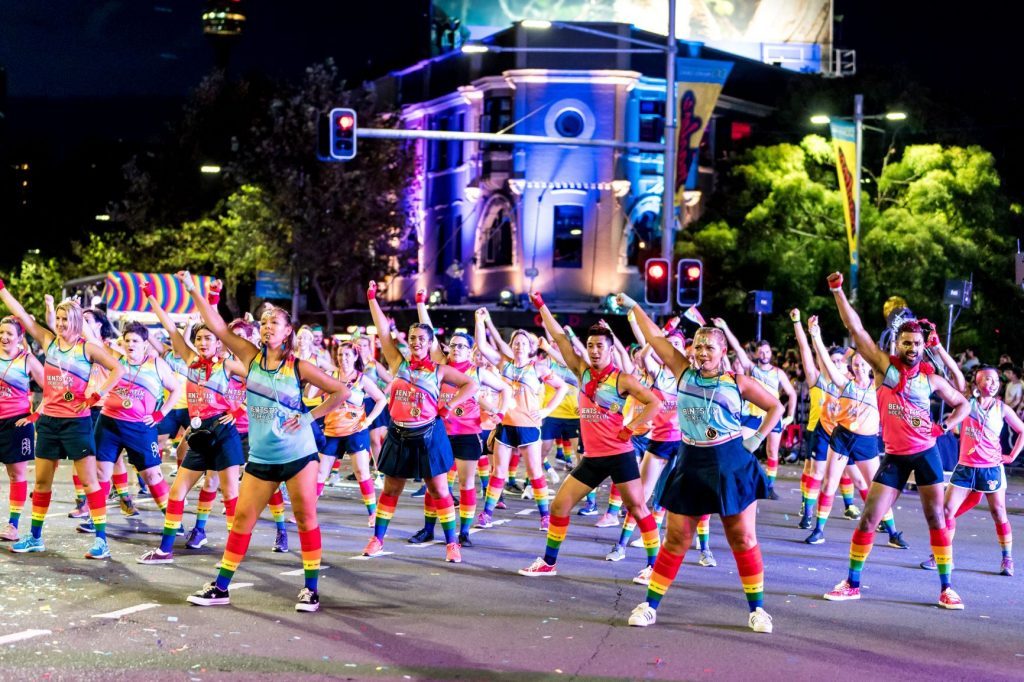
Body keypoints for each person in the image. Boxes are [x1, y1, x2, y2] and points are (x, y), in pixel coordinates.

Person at [178, 272, 349, 612]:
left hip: (299, 454)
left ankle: (310, 590)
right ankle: (222, 587)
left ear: (288, 332)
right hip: (262, 458)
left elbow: (340, 391)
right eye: (264, 322)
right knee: (242, 520)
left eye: (276, 323)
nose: (268, 326)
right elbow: (216, 324)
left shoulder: (298, 366)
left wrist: (308, 417)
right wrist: (194, 291)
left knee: (305, 519)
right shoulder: (250, 357)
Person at [621, 296, 782, 633]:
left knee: (743, 538)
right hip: (691, 460)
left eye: (710, 347)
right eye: (698, 347)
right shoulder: (683, 372)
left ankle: (758, 611)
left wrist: (754, 440)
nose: (702, 353)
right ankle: (649, 606)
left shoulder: (738, 382)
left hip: (730, 462)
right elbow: (654, 338)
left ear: (723, 352)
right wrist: (634, 305)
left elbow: (776, 408)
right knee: (677, 538)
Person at [821, 272, 971, 609]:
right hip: (893, 456)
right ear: (897, 344)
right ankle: (852, 583)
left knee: (937, 519)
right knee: (869, 518)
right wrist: (837, 291)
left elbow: (963, 401)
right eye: (907, 343)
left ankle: (947, 588)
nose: (913, 348)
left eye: (917, 344)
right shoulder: (884, 370)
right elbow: (857, 332)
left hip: (925, 454)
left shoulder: (930, 379)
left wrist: (945, 426)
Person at [518, 292, 664, 586]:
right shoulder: (582, 373)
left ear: (610, 349)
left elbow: (654, 403)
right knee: (559, 506)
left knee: (637, 508)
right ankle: (548, 562)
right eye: (590, 346)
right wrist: (542, 306)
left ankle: (654, 567)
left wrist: (631, 426)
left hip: (620, 454)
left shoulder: (623, 379)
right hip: (593, 458)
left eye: (600, 346)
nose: (594, 351)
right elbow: (560, 338)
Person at [0, 282, 125, 559]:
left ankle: (101, 542)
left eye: (65, 318)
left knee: (90, 483)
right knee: (42, 483)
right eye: (57, 318)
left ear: (76, 321)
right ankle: (34, 537)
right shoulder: (48, 342)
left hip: (76, 423)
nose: (59, 323)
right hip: (48, 423)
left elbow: (119, 368)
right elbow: (22, 315)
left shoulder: (88, 349)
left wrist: (97, 394)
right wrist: (2, 290)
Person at [361, 281, 477, 563]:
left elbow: (470, 385)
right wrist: (372, 299)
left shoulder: (439, 370)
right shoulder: (398, 364)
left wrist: (450, 405)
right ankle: (377, 539)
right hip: (399, 435)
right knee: (390, 490)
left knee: (439, 490)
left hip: (429, 435)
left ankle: (452, 544)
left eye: (421, 339)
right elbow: (385, 332)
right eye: (412, 338)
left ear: (430, 343)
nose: (415, 342)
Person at [136, 282, 247, 561]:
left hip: (223, 433)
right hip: (198, 435)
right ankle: (165, 549)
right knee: (177, 492)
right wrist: (150, 295)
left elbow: (260, 384)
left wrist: (238, 410)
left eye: (209, 338)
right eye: (199, 339)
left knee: (230, 493)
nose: (203, 343)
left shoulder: (227, 365)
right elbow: (171, 329)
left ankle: (234, 553)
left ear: (219, 341)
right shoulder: (190, 360)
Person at [412, 292, 514, 547]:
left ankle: (465, 532)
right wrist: (421, 304)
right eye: (453, 345)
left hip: (468, 434)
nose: (456, 349)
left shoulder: (477, 372)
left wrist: (500, 413)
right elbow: (428, 330)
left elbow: (506, 390)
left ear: (471, 351)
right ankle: (428, 529)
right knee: (433, 483)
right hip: (439, 432)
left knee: (467, 484)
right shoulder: (440, 365)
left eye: (462, 346)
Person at [800, 314, 906, 547]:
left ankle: (893, 533)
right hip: (842, 438)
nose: (859, 367)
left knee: (876, 487)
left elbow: (892, 364)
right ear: (852, 366)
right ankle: (818, 530)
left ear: (870, 366)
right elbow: (826, 364)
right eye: (856, 364)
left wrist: (896, 338)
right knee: (829, 483)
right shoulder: (844, 383)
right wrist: (815, 336)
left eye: (863, 363)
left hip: (866, 442)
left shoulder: (880, 387)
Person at [921, 366, 1023, 577]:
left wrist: (1011, 456)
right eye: (986, 379)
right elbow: (955, 376)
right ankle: (943, 557)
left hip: (991, 469)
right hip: (966, 468)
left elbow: (1022, 430)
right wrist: (938, 348)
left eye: (995, 380)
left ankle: (1007, 559)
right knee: (947, 512)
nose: (992, 383)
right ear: (976, 384)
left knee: (998, 513)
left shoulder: (1002, 409)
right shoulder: (967, 404)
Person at [474, 309, 569, 530]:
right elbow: (482, 344)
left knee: (535, 472)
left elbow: (562, 387)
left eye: (524, 343)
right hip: (505, 425)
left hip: (528, 426)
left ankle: (545, 516)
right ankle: (487, 513)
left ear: (531, 348)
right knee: (498, 472)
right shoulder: (503, 364)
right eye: (516, 342)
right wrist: (480, 321)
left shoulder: (537, 368)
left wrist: (546, 411)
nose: (519, 346)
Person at [92, 321, 183, 530]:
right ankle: (96, 522)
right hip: (109, 424)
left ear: (145, 344)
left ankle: (173, 522)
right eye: (127, 340)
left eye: (135, 341)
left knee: (151, 475)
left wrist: (160, 414)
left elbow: (176, 390)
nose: (130, 344)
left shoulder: (156, 363)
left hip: (140, 427)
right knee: (100, 474)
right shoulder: (116, 360)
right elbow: (92, 340)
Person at [714, 321, 795, 497]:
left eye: (767, 351)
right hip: (752, 415)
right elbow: (738, 348)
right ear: (757, 353)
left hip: (773, 416)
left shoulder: (778, 372)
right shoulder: (751, 368)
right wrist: (725, 328)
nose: (764, 354)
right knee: (741, 447)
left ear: (770, 352)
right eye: (761, 351)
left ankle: (769, 486)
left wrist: (790, 416)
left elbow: (792, 394)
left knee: (772, 451)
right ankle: (738, 480)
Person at [317, 342, 387, 526]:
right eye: (340, 355)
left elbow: (381, 399)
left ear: (356, 357)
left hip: (355, 431)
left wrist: (369, 421)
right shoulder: (330, 376)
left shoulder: (362, 379)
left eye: (348, 355)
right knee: (320, 474)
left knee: (362, 472)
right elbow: (311, 394)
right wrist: (316, 373)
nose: (343, 358)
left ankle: (373, 513)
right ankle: (307, 512)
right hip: (331, 431)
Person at [0, 316, 44, 542]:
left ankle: (13, 525)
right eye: (1, 332)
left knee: (16, 475)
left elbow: (51, 389)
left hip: (16, 423)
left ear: (19, 338)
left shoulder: (27, 360)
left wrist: (34, 415)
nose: (4, 337)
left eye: (9, 334)